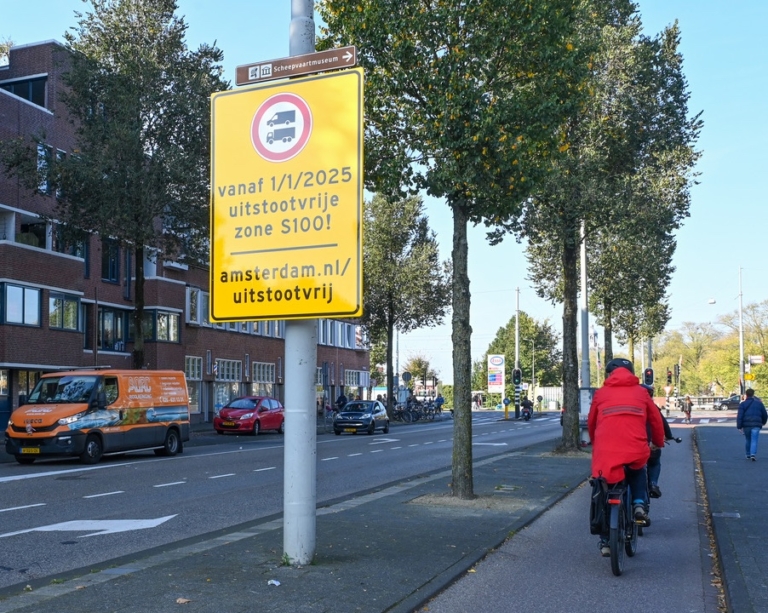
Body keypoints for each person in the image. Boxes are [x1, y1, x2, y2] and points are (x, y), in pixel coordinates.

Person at [588, 358, 665, 557]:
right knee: (637, 468)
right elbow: (656, 420)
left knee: (604, 487)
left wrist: (596, 443)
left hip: (607, 451)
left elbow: (592, 422)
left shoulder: (601, 393)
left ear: (608, 374)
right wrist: (657, 442)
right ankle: (639, 503)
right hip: (635, 447)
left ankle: (605, 540)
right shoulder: (641, 392)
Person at [641, 384, 676, 498]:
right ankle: (653, 484)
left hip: (631, 444)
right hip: (649, 443)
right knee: (654, 462)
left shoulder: (628, 406)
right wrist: (667, 437)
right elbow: (662, 423)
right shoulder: (652, 407)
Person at [736, 388, 768, 461]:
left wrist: (739, 426)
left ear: (746, 395)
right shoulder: (759, 403)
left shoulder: (743, 404)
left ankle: (748, 454)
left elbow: (740, 416)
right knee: (754, 439)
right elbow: (764, 414)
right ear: (753, 394)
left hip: (746, 425)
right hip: (756, 424)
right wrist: (763, 422)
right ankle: (753, 454)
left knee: (748, 439)